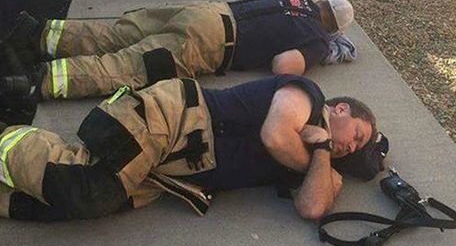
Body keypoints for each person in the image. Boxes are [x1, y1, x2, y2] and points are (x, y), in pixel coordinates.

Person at [0, 73, 386, 221]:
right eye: (358, 134)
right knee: (90, 191)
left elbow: (312, 206)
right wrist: (312, 150)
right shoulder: (306, 95)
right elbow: (275, 134)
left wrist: (320, 152)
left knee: (57, 207)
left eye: (356, 150)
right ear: (341, 109)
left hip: (176, 172)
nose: (351, 146)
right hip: (173, 119)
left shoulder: (318, 160)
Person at [0, 0, 354, 102]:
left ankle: (39, 34)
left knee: (121, 33)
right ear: (335, 29)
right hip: (210, 43)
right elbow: (283, 67)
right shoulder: (318, 38)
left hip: (205, 11)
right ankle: (37, 82)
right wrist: (318, 56)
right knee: (129, 66)